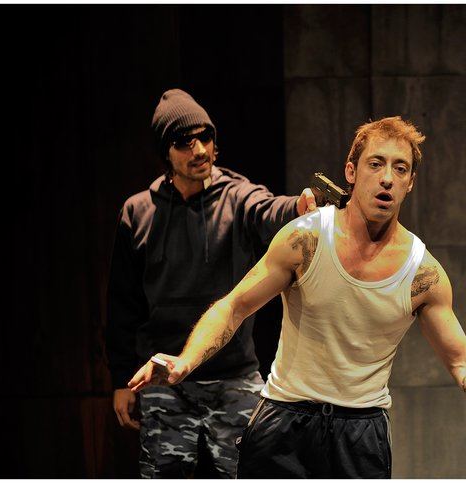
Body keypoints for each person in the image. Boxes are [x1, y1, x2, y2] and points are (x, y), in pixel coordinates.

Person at [127, 116, 466, 478]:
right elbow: (235, 305)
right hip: (285, 420)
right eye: (375, 164)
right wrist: (185, 362)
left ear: (410, 183)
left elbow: (461, 359)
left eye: (400, 169)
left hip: (360, 433)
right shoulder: (306, 239)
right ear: (351, 172)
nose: (387, 178)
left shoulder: (423, 274)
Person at [105, 88, 316, 478]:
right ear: (166, 152)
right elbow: (122, 304)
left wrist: (297, 208)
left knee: (250, 473)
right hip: (165, 380)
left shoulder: (237, 195)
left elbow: (268, 209)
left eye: (205, 138)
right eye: (185, 142)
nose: (200, 150)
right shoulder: (138, 212)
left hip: (233, 376)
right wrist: (121, 379)